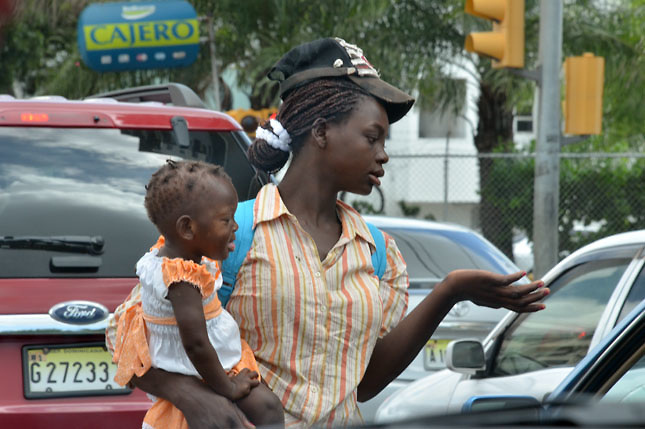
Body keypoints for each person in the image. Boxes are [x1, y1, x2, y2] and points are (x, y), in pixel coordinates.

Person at [106, 37, 549, 428]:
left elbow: (365, 383)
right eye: (372, 137)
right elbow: (123, 337)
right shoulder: (227, 235)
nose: (383, 155)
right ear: (321, 132)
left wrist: (451, 290)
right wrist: (190, 396)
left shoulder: (379, 254)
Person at [111, 160, 284, 429]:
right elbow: (196, 344)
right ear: (188, 229)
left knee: (268, 407)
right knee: (264, 410)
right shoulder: (181, 280)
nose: (235, 227)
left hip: (206, 363)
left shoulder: (176, 256)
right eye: (226, 219)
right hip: (194, 367)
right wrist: (228, 387)